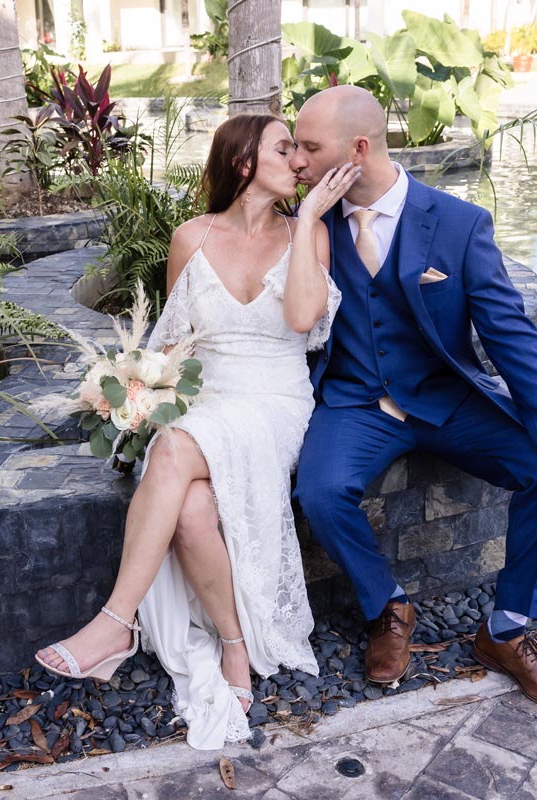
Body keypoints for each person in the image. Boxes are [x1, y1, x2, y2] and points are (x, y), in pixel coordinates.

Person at [35, 113, 357, 749]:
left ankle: (114, 623)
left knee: (178, 450)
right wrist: (139, 393)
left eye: (300, 149)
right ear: (243, 163)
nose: (299, 161)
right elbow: (177, 345)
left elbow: (299, 320)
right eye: (284, 148)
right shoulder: (190, 238)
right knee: (189, 509)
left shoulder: (307, 233)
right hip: (211, 401)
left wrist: (314, 217)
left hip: (274, 402)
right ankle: (234, 648)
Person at [289, 86, 537, 713]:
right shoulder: (309, 223)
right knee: (318, 491)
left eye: (309, 146)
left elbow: (508, 332)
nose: (297, 159)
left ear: (358, 148)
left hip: (446, 399)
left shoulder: (457, 224)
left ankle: (507, 631)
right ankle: (386, 605)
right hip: (355, 403)